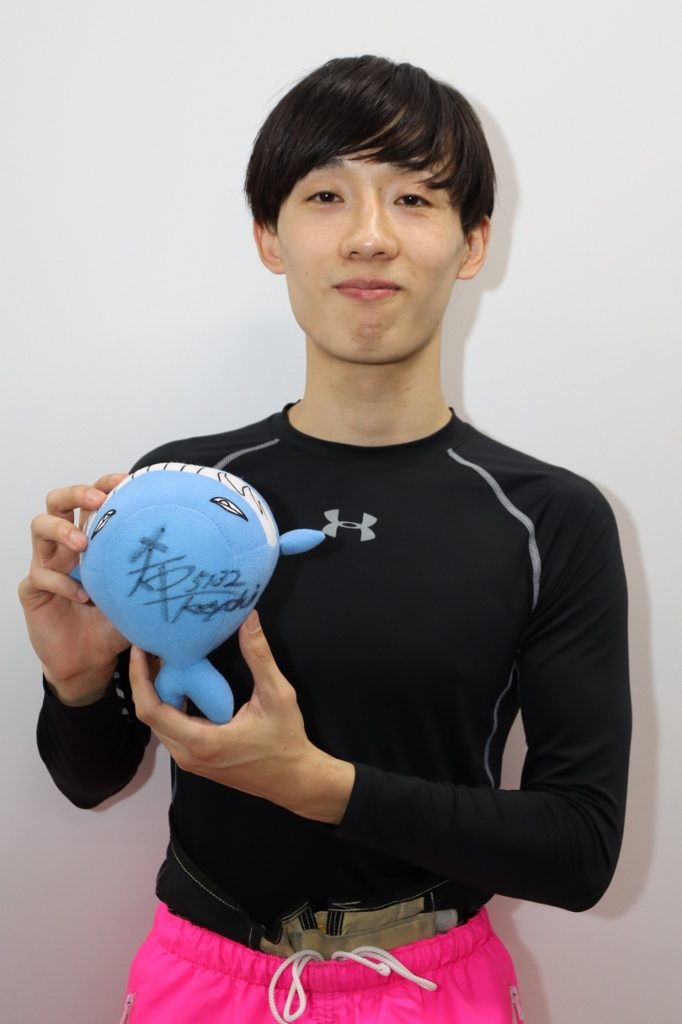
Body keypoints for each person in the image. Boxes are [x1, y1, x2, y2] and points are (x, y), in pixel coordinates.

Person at [19, 55, 631, 1024]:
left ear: (473, 242)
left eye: (415, 198)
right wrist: (78, 682)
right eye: (326, 195)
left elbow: (580, 850)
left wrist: (320, 787)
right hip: (202, 981)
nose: (370, 235)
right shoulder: (185, 493)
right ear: (270, 236)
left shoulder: (549, 516)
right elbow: (89, 781)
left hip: (432, 989)